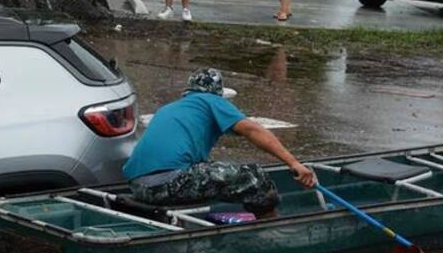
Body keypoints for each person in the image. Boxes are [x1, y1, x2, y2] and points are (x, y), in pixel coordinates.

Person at [122, 68, 317, 215]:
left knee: (213, 170)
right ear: (217, 92)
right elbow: (252, 130)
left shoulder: (171, 108)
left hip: (138, 187)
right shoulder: (210, 100)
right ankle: (270, 227)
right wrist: (293, 163)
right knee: (254, 176)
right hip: (167, 184)